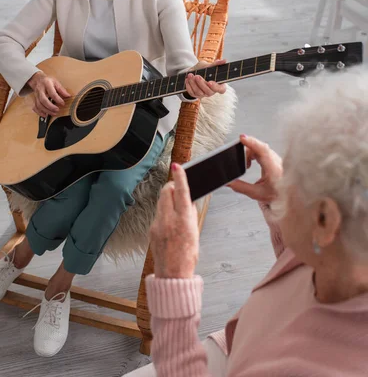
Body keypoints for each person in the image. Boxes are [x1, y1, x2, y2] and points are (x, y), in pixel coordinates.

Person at [0, 0, 226, 357]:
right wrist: (31, 80)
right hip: (72, 114)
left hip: (142, 118)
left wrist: (197, 78)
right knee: (70, 191)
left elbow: (182, 62)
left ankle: (56, 285)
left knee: (111, 188)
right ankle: (22, 256)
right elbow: (4, 43)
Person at [127, 69, 368, 376]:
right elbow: (310, 270)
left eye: (291, 173)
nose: (282, 176)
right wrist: (282, 210)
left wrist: (174, 277)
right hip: (238, 344)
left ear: (324, 219)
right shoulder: (347, 250)